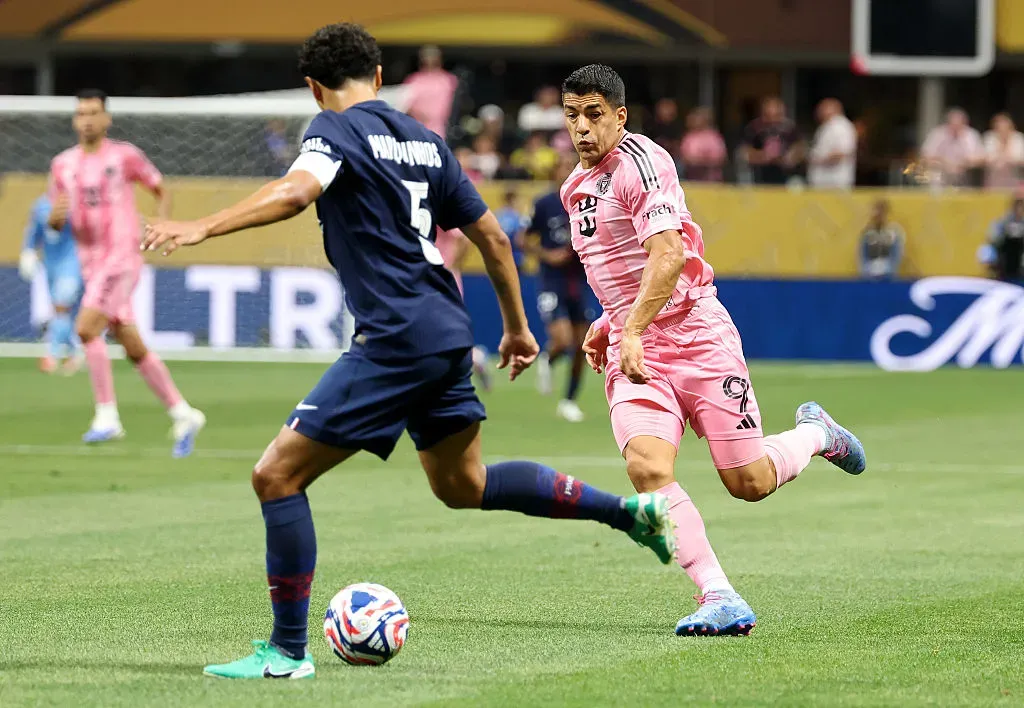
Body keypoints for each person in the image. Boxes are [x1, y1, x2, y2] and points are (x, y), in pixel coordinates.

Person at [143, 24, 675, 680]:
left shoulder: (334, 131)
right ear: (379, 72)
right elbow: (492, 238)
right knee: (463, 485)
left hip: (394, 337)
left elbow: (296, 191)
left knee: (276, 477)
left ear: (315, 88)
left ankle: (286, 653)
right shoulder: (426, 143)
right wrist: (514, 328)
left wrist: (202, 225)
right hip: (447, 332)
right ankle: (630, 513)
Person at [559, 64, 867, 636]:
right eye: (573, 115)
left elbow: (668, 254)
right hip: (640, 349)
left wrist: (628, 328)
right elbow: (620, 267)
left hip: (697, 335)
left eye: (594, 115)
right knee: (646, 467)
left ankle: (818, 434)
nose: (582, 128)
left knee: (746, 481)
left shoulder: (642, 163)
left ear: (620, 117)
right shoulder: (573, 189)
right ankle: (719, 595)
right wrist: (610, 321)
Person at [48, 89, 205, 455]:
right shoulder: (62, 165)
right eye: (81, 113)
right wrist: (55, 220)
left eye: (93, 112)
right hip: (90, 262)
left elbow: (159, 186)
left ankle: (107, 416)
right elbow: (56, 218)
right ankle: (184, 413)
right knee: (130, 344)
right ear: (75, 120)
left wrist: (162, 223)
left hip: (121, 257)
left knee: (85, 328)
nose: (86, 119)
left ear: (106, 119)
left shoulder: (124, 156)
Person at [525, 152, 593, 423]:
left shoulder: (586, 202)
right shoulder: (544, 204)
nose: (566, 172)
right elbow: (524, 239)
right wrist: (547, 255)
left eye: (571, 167)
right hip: (552, 280)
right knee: (563, 340)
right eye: (562, 167)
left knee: (581, 346)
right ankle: (548, 358)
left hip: (579, 281)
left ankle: (569, 400)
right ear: (554, 173)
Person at [19, 193, 83, 374]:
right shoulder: (40, 205)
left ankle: (51, 355)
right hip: (50, 265)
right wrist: (28, 251)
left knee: (61, 306)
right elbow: (34, 232)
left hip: (72, 263)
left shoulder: (76, 205)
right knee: (59, 310)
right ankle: (74, 352)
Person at [435, 225, 493, 391]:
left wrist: (451, 267)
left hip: (443, 282)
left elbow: (464, 239)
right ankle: (476, 358)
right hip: (435, 280)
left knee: (443, 334)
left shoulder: (438, 209)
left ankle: (473, 359)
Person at [740, 97, 803, 185]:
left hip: (786, 175)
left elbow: (799, 149)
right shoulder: (754, 127)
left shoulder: (790, 128)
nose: (773, 120)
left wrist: (787, 158)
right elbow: (745, 151)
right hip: (759, 174)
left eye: (777, 115)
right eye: (768, 116)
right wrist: (763, 156)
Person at [401, 45, 458, 140]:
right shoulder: (413, 79)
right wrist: (417, 113)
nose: (429, 60)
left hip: (442, 132)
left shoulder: (449, 80)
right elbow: (404, 104)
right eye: (426, 57)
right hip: (416, 131)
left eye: (432, 57)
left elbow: (454, 106)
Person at [920, 108, 983, 187]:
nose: (955, 128)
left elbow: (981, 158)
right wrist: (944, 162)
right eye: (952, 124)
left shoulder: (971, 135)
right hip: (939, 178)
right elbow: (926, 155)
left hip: (965, 178)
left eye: (959, 125)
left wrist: (964, 163)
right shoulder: (937, 134)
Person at [807, 98, 857, 189]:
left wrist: (819, 160)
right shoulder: (826, 126)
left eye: (822, 108)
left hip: (834, 182)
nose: (818, 111)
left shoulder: (841, 125)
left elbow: (843, 152)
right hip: (823, 182)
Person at [858, 199, 905, 280]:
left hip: (888, 271)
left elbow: (897, 254)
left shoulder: (893, 232)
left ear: (886, 213)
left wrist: (891, 270)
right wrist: (865, 271)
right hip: (869, 271)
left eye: (881, 212)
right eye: (876, 212)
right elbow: (862, 254)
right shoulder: (867, 232)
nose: (878, 215)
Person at [679, 107, 727, 183]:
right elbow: (684, 156)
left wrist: (702, 161)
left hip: (711, 181)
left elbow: (720, 158)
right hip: (691, 180)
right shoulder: (689, 137)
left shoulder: (714, 137)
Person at [982, 112, 1024, 189]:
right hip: (994, 179)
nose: (1002, 128)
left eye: (1004, 126)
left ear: (1011, 126)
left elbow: (1021, 158)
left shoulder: (1018, 138)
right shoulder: (989, 137)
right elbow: (986, 157)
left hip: (1015, 178)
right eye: (998, 126)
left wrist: (1006, 159)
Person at [986, 196, 1024, 280]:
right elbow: (993, 238)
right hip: (1004, 261)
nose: (1020, 210)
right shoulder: (1003, 222)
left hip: (1018, 263)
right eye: (1019, 207)